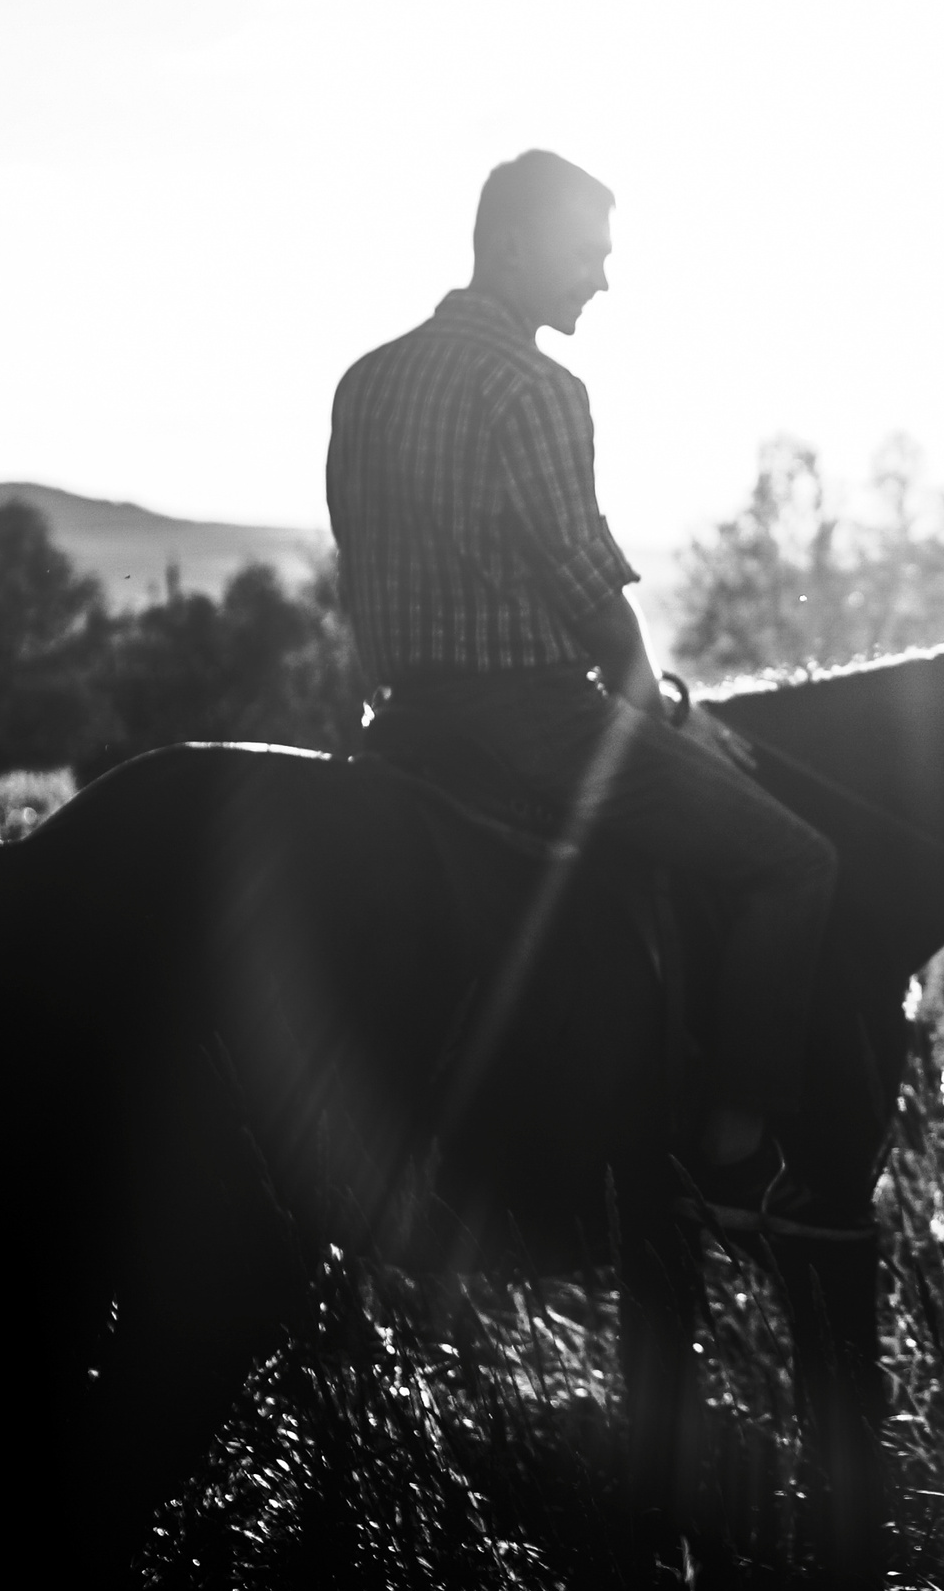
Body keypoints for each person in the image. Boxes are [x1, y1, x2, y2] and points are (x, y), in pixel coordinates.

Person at [326, 149, 837, 1218]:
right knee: (793, 863)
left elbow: (358, 563)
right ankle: (731, 1149)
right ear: (508, 245)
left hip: (402, 726)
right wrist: (648, 699)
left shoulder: (365, 379)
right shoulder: (538, 387)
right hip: (536, 724)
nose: (601, 282)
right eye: (584, 255)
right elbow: (582, 581)